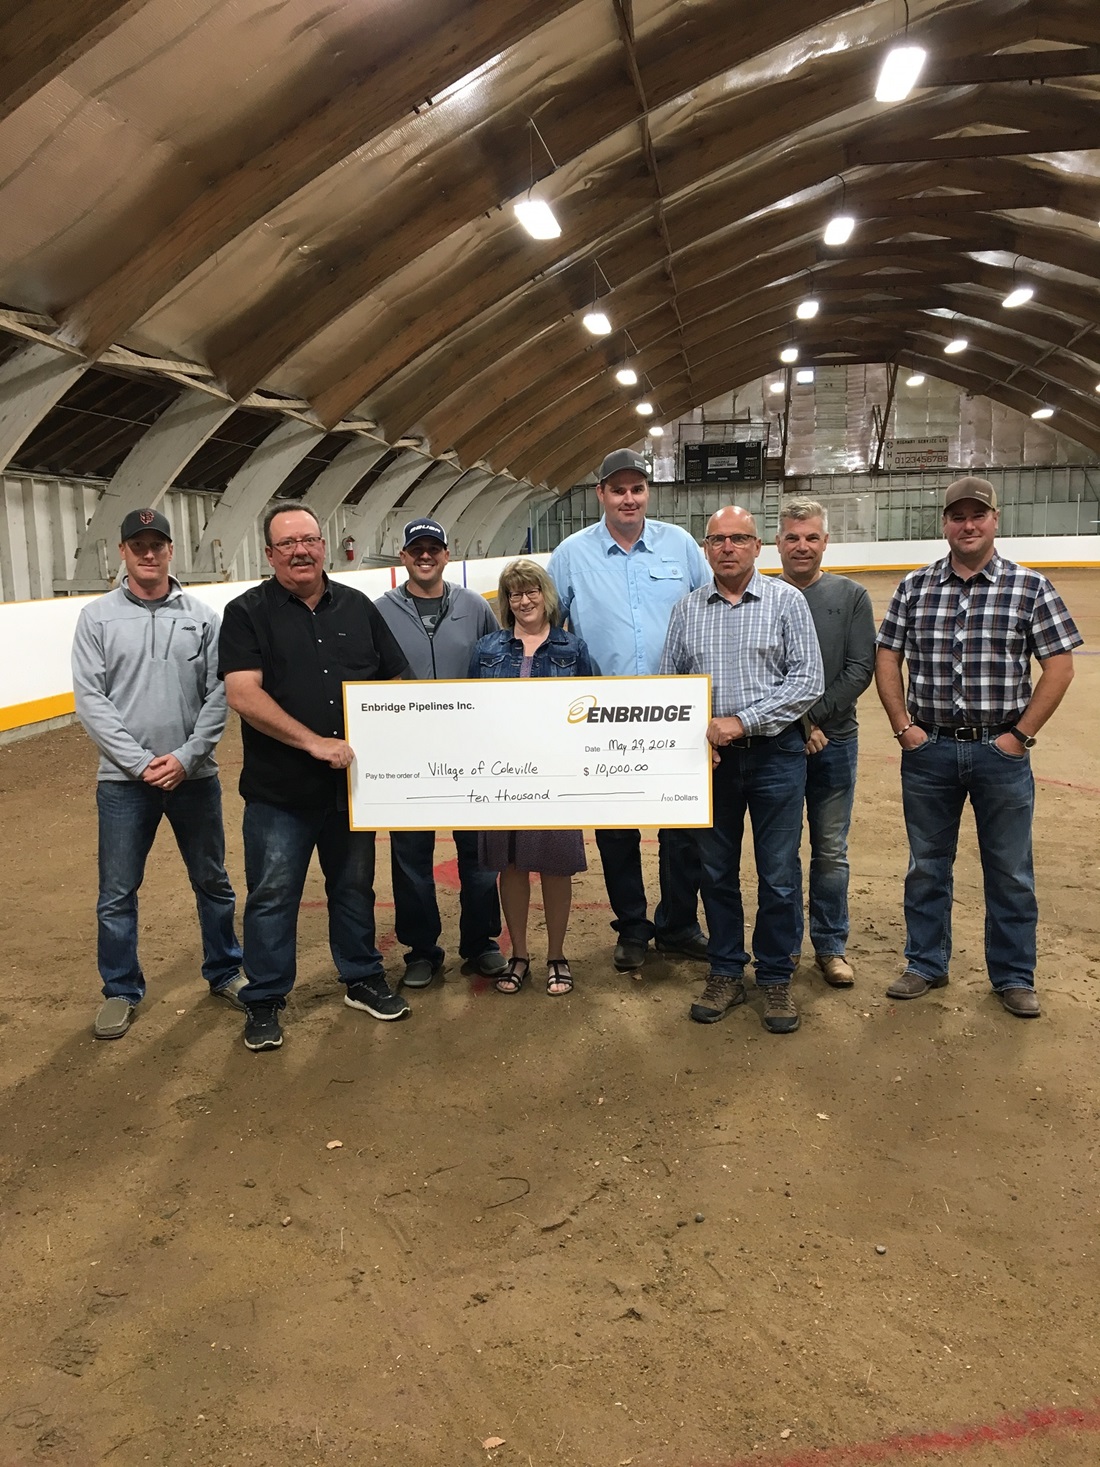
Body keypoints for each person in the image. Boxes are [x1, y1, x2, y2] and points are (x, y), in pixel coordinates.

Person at [875, 476, 1081, 1019]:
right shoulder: (915, 587)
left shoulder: (1030, 587)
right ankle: (926, 963)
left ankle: (1013, 975)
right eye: (957, 516)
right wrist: (902, 726)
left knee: (1010, 870)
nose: (967, 526)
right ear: (944, 523)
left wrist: (1020, 736)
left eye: (977, 516)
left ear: (995, 520)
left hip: (1000, 751)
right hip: (930, 749)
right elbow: (887, 656)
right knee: (926, 866)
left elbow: (1059, 664)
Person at [218, 504, 410, 1052]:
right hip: (280, 792)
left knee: (353, 887)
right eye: (287, 544)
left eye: (309, 540)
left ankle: (362, 977)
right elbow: (243, 694)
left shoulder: (357, 607)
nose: (300, 551)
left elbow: (395, 681)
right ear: (269, 553)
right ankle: (266, 998)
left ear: (324, 545)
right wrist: (313, 742)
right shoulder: (246, 613)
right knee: (273, 895)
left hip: (351, 790)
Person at [71, 507, 243, 1040]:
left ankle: (224, 969)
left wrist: (187, 756)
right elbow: (91, 701)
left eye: (158, 544)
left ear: (171, 551)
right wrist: (142, 763)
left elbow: (222, 692)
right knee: (118, 892)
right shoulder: (96, 619)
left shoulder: (203, 617)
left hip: (194, 777)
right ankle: (120, 989)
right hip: (124, 784)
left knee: (212, 880)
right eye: (137, 544)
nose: (148, 553)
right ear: (121, 552)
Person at [660, 506, 823, 1033]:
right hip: (710, 761)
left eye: (738, 539)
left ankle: (776, 977)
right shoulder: (687, 610)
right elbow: (670, 684)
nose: (727, 547)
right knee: (716, 872)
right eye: (717, 539)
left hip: (776, 756)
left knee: (778, 874)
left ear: (757, 547)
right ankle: (726, 970)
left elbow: (807, 681)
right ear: (706, 549)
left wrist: (742, 722)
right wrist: (696, 734)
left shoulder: (787, 601)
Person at [547, 448, 710, 973]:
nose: (628, 498)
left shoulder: (680, 545)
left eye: (637, 488)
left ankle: (679, 924)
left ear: (647, 493)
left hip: (676, 711)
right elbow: (551, 627)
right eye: (618, 489)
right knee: (616, 829)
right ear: (601, 495)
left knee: (682, 827)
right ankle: (633, 927)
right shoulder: (572, 553)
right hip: (605, 712)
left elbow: (710, 610)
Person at [375, 517, 505, 988]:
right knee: (410, 855)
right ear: (403, 557)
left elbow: (498, 659)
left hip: (471, 752)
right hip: (406, 756)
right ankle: (420, 950)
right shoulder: (379, 610)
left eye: (434, 548)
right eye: (416, 549)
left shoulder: (474, 606)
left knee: (478, 852)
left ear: (447, 555)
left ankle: (481, 943)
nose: (425, 556)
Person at [467, 559, 598, 997]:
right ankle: (519, 954)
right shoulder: (486, 648)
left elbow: (592, 707)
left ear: (546, 594)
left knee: (556, 867)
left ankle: (556, 954)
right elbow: (469, 708)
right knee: (510, 867)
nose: (523, 601)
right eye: (514, 594)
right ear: (505, 601)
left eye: (531, 591)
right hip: (501, 776)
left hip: (555, 773)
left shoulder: (572, 648)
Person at [777, 498, 876, 988]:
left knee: (831, 849)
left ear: (825, 542)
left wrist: (812, 718)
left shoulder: (851, 596)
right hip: (781, 746)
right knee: (783, 851)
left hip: (834, 741)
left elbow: (860, 669)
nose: (802, 546)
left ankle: (831, 945)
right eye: (793, 537)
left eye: (811, 537)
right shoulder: (763, 596)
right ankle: (787, 945)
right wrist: (798, 726)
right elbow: (759, 677)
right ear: (777, 542)